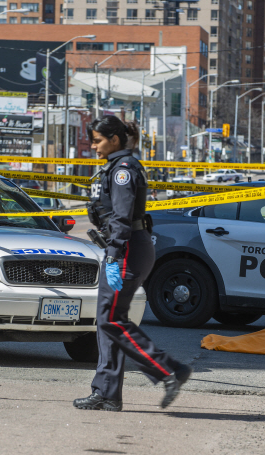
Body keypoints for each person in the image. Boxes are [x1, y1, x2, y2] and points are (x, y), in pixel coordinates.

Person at [74, 116, 191, 412]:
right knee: (107, 321)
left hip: (126, 249)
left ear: (114, 139)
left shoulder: (123, 170)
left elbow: (123, 217)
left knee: (111, 319)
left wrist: (113, 255)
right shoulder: (115, 167)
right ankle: (106, 393)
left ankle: (168, 369)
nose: (94, 146)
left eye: (98, 140)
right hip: (123, 247)